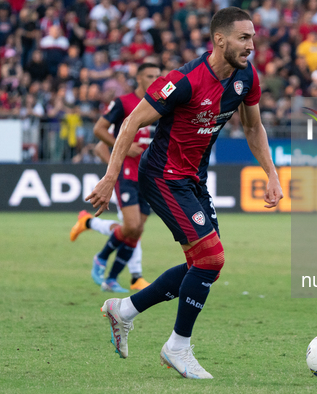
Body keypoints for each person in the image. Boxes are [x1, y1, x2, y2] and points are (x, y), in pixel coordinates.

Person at [86, 7, 283, 379]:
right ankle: (178, 347)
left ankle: (124, 310)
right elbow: (130, 122)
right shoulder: (184, 80)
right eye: (244, 38)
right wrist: (110, 177)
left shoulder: (246, 77)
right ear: (219, 40)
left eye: (253, 37)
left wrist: (271, 174)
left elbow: (254, 128)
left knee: (205, 266)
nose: (251, 45)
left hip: (193, 179)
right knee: (210, 259)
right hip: (161, 176)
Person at [72, 62, 161, 292]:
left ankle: (111, 278)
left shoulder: (162, 103)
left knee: (137, 230)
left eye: (158, 76)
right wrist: (122, 146)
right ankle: (101, 258)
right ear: (139, 78)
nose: (155, 79)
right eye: (150, 75)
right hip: (127, 174)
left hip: (150, 176)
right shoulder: (124, 103)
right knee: (131, 225)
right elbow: (99, 131)